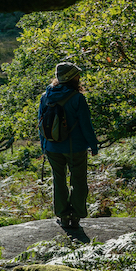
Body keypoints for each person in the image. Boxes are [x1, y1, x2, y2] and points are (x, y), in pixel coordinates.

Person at [38, 62, 99, 229]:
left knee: (59, 181)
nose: (79, 78)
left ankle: (63, 215)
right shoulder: (77, 98)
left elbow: (40, 123)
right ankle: (76, 214)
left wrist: (44, 146)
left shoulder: (46, 96)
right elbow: (86, 125)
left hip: (52, 148)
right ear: (71, 78)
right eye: (77, 75)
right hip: (75, 147)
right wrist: (93, 146)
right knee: (78, 181)